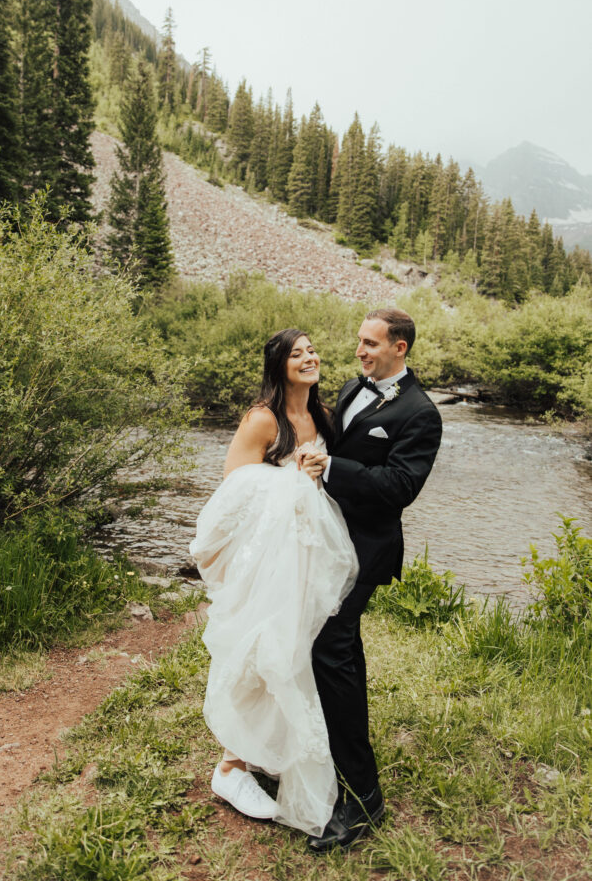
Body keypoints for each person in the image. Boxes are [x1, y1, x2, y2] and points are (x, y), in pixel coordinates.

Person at [190, 328, 359, 836]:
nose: (309, 357)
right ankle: (230, 768)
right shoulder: (263, 419)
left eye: (312, 350)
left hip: (304, 557)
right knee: (261, 652)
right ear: (279, 365)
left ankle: (261, 751)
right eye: (296, 353)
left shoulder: (322, 416)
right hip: (265, 561)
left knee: (293, 652)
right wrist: (295, 478)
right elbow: (233, 491)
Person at [299, 308, 443, 853]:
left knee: (330, 649)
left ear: (400, 348)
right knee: (334, 650)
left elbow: (400, 486)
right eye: (359, 341)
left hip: (364, 550)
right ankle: (321, 763)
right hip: (323, 537)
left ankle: (362, 799)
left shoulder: (420, 413)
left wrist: (331, 468)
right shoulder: (348, 387)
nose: (359, 351)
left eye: (370, 343)